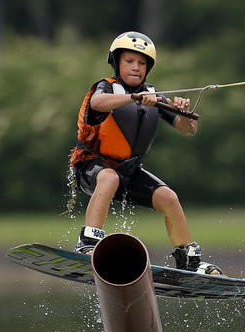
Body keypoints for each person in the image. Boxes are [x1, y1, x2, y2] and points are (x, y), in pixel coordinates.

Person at [69, 31, 220, 274]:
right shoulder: (105, 87)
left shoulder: (154, 96)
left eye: (142, 63)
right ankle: (88, 243)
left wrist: (182, 112)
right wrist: (133, 98)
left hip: (127, 172)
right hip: (91, 167)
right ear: (117, 62)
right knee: (109, 177)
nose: (136, 68)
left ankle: (189, 262)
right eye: (129, 61)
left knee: (169, 198)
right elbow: (97, 103)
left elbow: (188, 129)